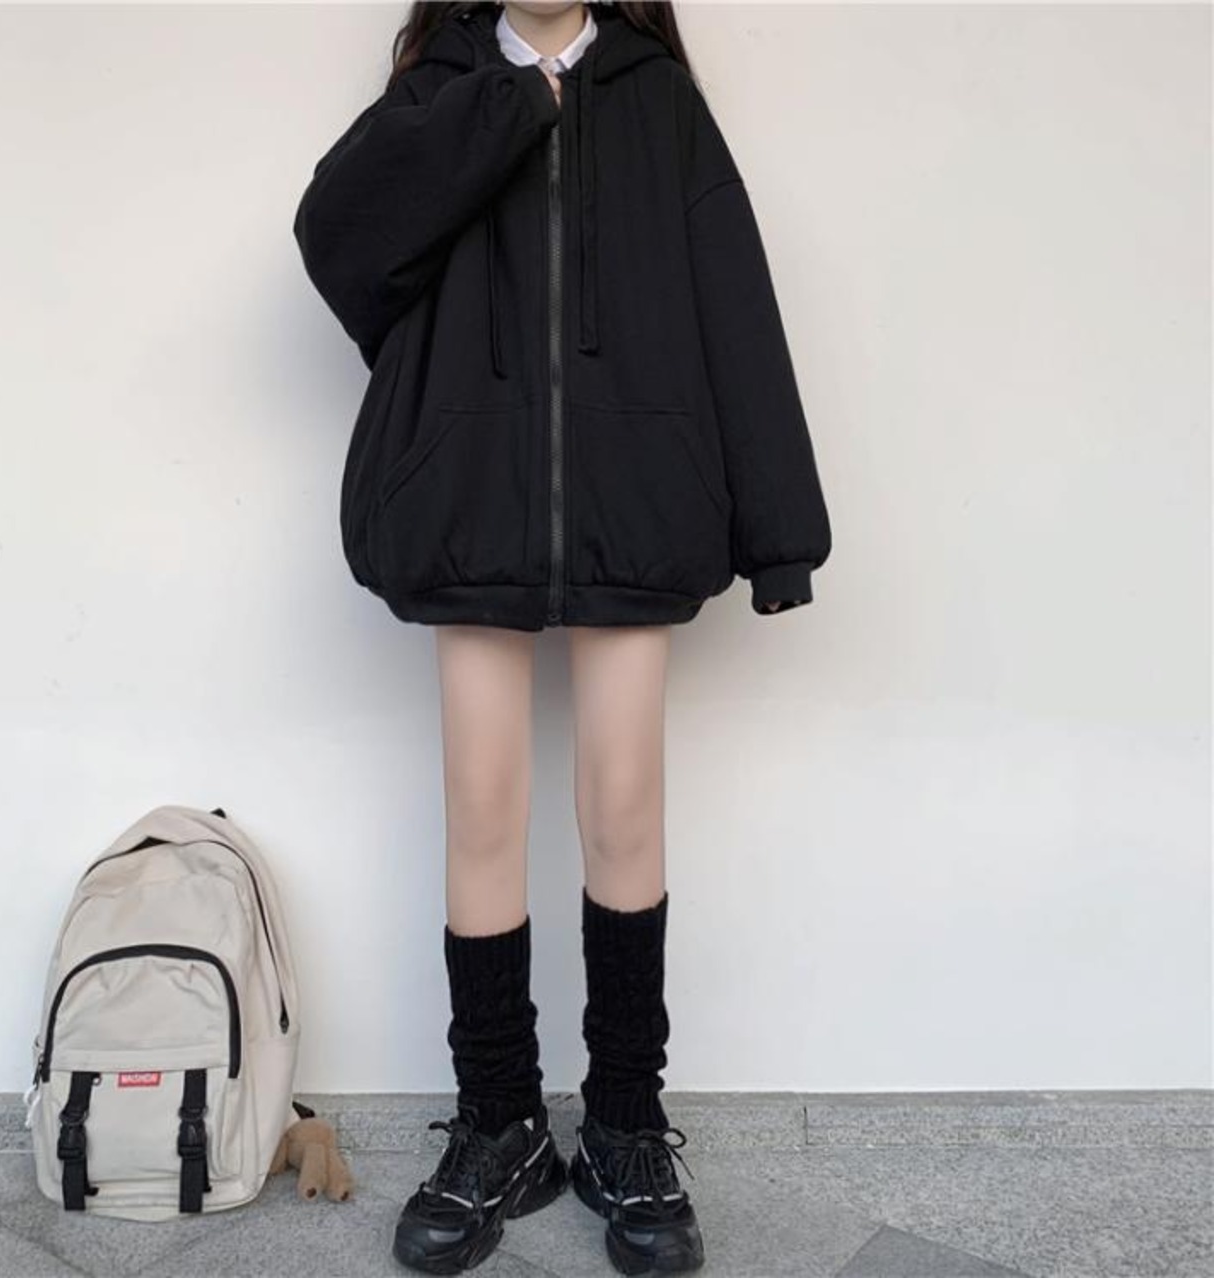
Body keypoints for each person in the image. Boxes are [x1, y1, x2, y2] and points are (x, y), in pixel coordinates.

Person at [292, 2, 832, 1273]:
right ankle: (499, 1125)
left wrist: (780, 532)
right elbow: (342, 246)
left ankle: (626, 1127)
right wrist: (498, 107)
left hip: (633, 500)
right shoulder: (441, 86)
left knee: (623, 808)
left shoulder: (653, 97)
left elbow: (732, 300)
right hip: (469, 497)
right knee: (481, 808)